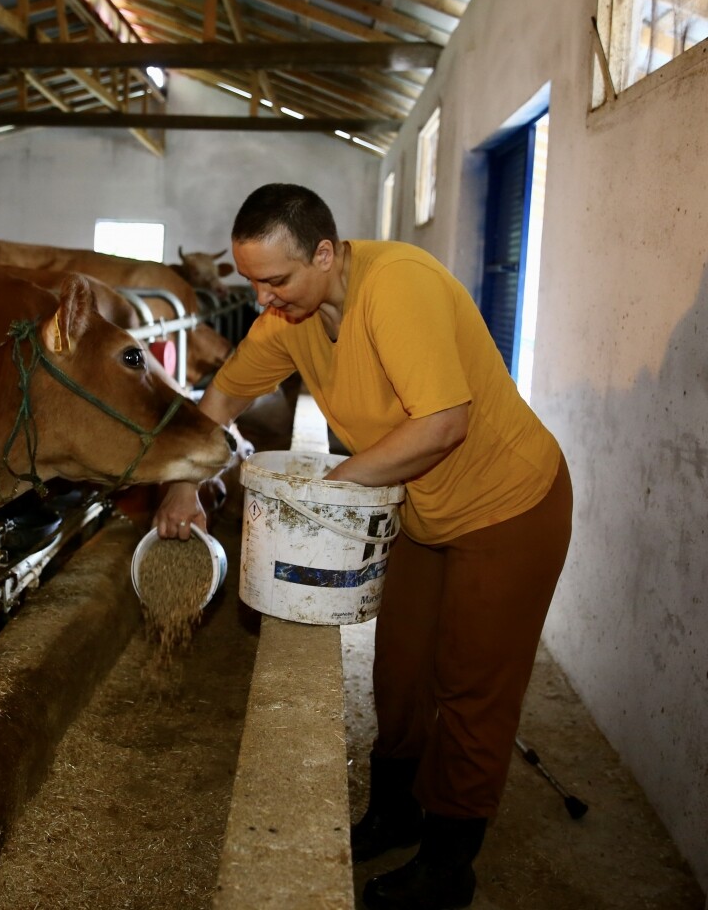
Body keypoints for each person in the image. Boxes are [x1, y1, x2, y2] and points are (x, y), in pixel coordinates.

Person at [155, 183, 572, 910]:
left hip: (508, 503)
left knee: (470, 685)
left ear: (325, 253)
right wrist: (181, 481)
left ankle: (449, 864)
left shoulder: (398, 288)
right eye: (252, 282)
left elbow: (443, 423)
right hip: (419, 507)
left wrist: (329, 486)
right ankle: (395, 811)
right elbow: (219, 402)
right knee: (400, 670)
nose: (262, 300)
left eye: (276, 281)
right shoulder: (292, 316)